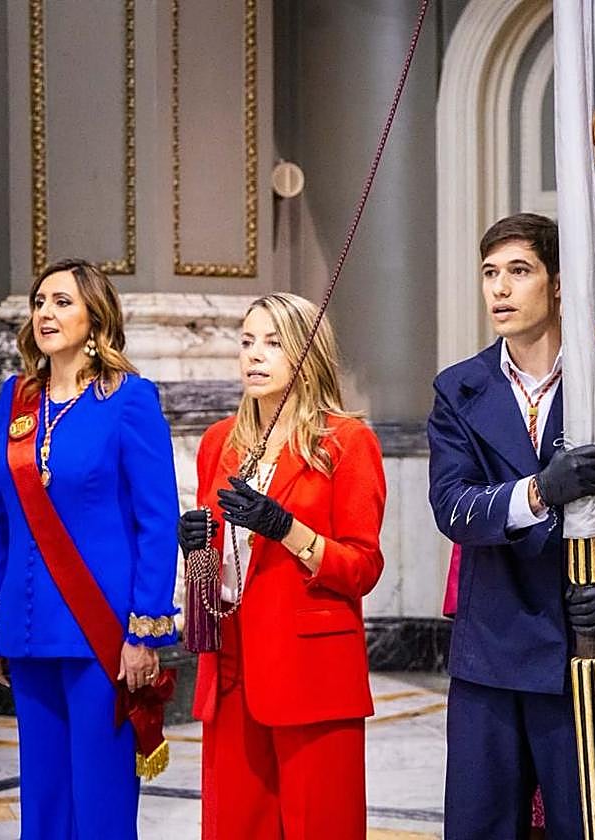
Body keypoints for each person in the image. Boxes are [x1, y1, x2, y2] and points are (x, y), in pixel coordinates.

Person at [428, 213, 595, 838]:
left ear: (560, 283)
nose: (500, 290)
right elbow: (452, 508)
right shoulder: (459, 388)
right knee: (479, 827)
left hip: (591, 653)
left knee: (588, 828)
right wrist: (541, 491)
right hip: (491, 654)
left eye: (519, 271)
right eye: (490, 273)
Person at [0, 258, 179, 839]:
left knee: (101, 796)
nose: (45, 313)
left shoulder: (130, 399)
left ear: (96, 317)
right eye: (40, 302)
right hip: (30, 625)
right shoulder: (17, 397)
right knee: (42, 794)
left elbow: (157, 521)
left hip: (102, 630)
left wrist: (144, 632)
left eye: (62, 301)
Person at [179, 293, 386, 840]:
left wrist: (288, 530)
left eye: (273, 342)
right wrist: (195, 551)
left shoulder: (346, 442)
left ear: (306, 354)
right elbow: (220, 576)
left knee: (321, 826)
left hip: (312, 674)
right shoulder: (218, 442)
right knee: (235, 828)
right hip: (231, 670)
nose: (255, 355)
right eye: (247, 341)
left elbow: (362, 568)